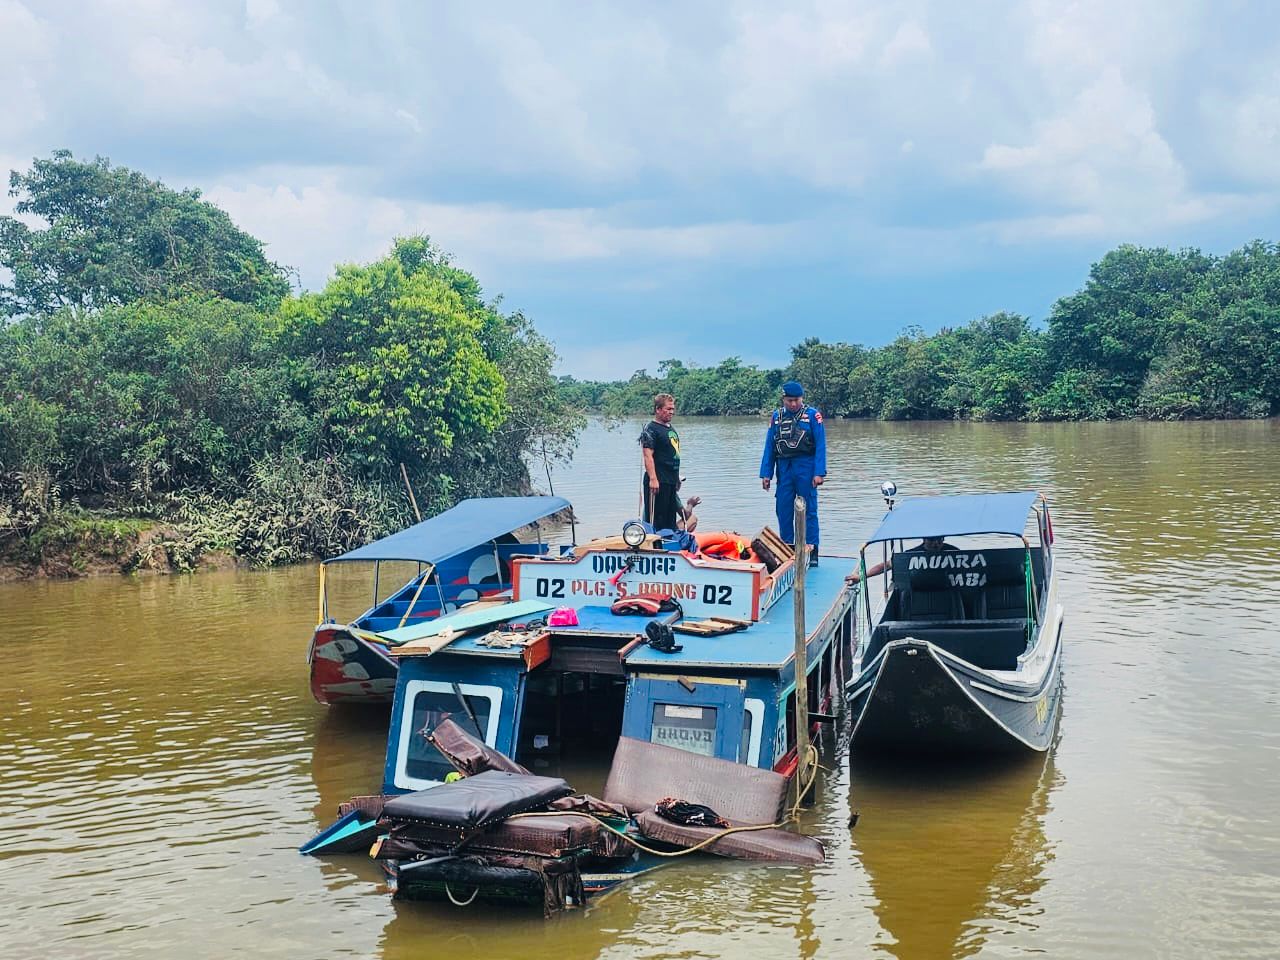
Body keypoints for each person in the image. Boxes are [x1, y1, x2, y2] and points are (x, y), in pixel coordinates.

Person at [759, 381, 826, 565]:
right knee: (783, 508)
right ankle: (788, 549)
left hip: (806, 466)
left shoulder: (813, 416)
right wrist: (766, 474)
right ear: (783, 399)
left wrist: (819, 472)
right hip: (784, 467)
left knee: (808, 509)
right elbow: (769, 447)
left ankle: (812, 550)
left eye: (796, 400)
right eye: (789, 400)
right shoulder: (776, 417)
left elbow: (820, 446)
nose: (793, 404)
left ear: (801, 398)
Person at [639, 393, 681, 531]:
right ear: (658, 409)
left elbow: (673, 454)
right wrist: (653, 478)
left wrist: (677, 478)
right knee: (656, 520)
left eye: (673, 409)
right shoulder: (651, 429)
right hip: (658, 482)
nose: (672, 412)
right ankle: (655, 548)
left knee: (670, 520)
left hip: (670, 481)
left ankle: (670, 546)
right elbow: (647, 455)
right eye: (668, 409)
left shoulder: (670, 429)